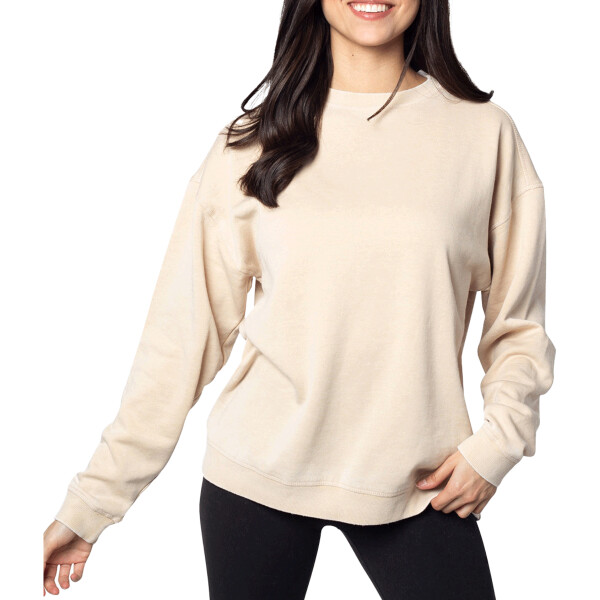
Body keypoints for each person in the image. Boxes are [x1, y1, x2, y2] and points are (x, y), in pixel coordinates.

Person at [43, 1, 556, 598]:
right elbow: (179, 341)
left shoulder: (484, 134)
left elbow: (518, 327)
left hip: (422, 483)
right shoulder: (251, 143)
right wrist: (93, 502)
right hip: (257, 477)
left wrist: (496, 445)